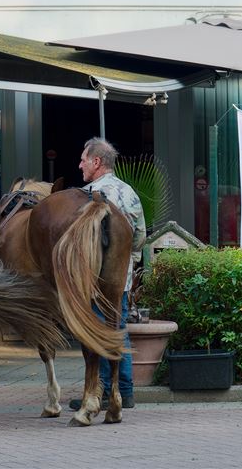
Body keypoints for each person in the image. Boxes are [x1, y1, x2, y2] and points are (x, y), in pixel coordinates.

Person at [69, 137, 146, 411]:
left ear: (96, 162)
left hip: (92, 277)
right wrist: (126, 262)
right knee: (118, 328)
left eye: (83, 159)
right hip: (121, 278)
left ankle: (99, 390)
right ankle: (124, 391)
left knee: (96, 329)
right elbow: (139, 238)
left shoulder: (86, 196)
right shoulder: (130, 193)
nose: (80, 165)